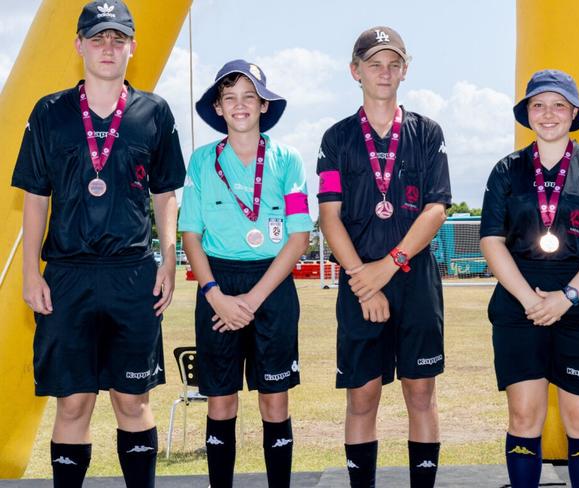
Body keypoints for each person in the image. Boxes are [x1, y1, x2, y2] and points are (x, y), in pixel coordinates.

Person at [10, 1, 186, 486]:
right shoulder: (49, 111)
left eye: (117, 38)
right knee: (74, 402)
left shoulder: (154, 111)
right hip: (67, 275)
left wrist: (169, 259)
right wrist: (30, 272)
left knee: (133, 401)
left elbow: (166, 194)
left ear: (131, 46)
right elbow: (35, 199)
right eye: (97, 38)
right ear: (78, 45)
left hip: (132, 274)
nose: (107, 47)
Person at [317, 27, 451, 488]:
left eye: (394, 63)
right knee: (362, 396)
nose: (384, 72)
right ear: (355, 71)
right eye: (374, 63)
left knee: (421, 392)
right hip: (359, 281)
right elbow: (329, 217)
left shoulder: (427, 132)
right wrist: (362, 278)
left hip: (414, 279)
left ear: (406, 70)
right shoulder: (336, 138)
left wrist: (388, 265)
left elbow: (436, 210)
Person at [480, 70, 579, 488]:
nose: (548, 114)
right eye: (538, 105)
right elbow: (492, 241)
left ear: (574, 112)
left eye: (559, 105)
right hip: (518, 305)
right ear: (527, 113)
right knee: (524, 416)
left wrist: (567, 296)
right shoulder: (506, 171)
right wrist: (530, 301)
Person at [179, 59, 312, 488]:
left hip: (270, 287)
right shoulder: (202, 161)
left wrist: (252, 301)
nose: (240, 106)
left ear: (262, 105)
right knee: (220, 403)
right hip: (217, 287)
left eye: (249, 97)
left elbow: (298, 238)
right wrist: (216, 294)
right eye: (230, 98)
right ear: (218, 107)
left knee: (275, 402)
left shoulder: (286, 159)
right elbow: (190, 235)